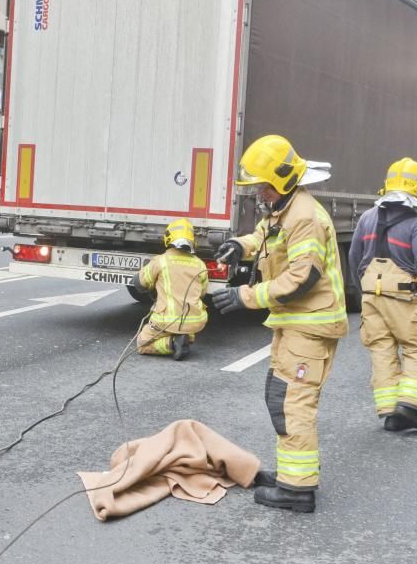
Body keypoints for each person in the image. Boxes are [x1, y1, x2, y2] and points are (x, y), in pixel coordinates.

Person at [212, 135, 347, 513]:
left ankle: (297, 491)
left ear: (283, 181)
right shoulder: (285, 209)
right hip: (296, 325)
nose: (259, 192)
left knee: (292, 403)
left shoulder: (305, 217)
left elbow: (302, 278)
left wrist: (245, 297)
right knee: (282, 397)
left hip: (310, 326)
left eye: (263, 185)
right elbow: (265, 236)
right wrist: (241, 245)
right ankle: (293, 476)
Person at [348, 158, 417, 432]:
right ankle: (409, 406)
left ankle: (390, 413)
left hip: (371, 295)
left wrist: (362, 290)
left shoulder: (367, 217)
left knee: (381, 350)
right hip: (403, 296)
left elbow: (354, 256)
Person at [132, 218, 209, 360]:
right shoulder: (200, 264)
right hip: (195, 321)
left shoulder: (161, 261)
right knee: (182, 327)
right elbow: (202, 293)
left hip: (165, 321)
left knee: (141, 344)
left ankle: (172, 343)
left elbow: (140, 283)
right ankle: (185, 337)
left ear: (168, 238)